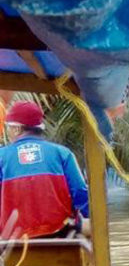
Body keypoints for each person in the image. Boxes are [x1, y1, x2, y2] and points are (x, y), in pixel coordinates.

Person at [0, 101, 89, 239]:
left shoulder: (1, 156)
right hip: (61, 234)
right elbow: (80, 192)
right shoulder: (62, 153)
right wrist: (87, 216)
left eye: (9, 128)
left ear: (17, 129)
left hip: (12, 242)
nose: (8, 133)